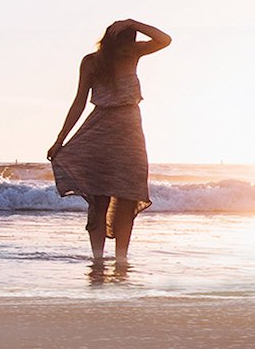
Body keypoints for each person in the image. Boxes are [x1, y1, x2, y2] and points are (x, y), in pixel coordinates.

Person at [47, 19, 172, 264]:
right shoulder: (91, 62)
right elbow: (79, 102)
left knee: (128, 196)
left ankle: (121, 260)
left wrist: (133, 22)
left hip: (130, 134)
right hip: (99, 131)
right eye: (126, 40)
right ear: (112, 39)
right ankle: (97, 260)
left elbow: (164, 40)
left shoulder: (134, 54)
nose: (129, 46)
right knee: (99, 198)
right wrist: (60, 140)